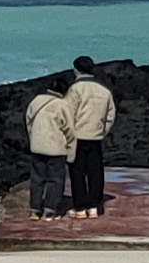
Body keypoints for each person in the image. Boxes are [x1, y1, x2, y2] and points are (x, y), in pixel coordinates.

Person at [63, 56, 117, 216]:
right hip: (96, 136)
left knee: (77, 173)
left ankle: (80, 208)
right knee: (95, 172)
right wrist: (103, 131)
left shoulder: (75, 89)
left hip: (78, 135)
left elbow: (67, 113)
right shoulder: (104, 91)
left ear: (76, 70)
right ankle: (94, 206)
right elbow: (110, 115)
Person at [23, 74, 75, 216]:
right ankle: (49, 209)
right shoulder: (63, 105)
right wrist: (70, 147)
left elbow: (29, 122)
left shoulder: (36, 101)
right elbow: (69, 129)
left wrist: (33, 139)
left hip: (37, 146)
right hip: (56, 148)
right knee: (56, 179)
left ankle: (35, 209)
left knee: (37, 178)